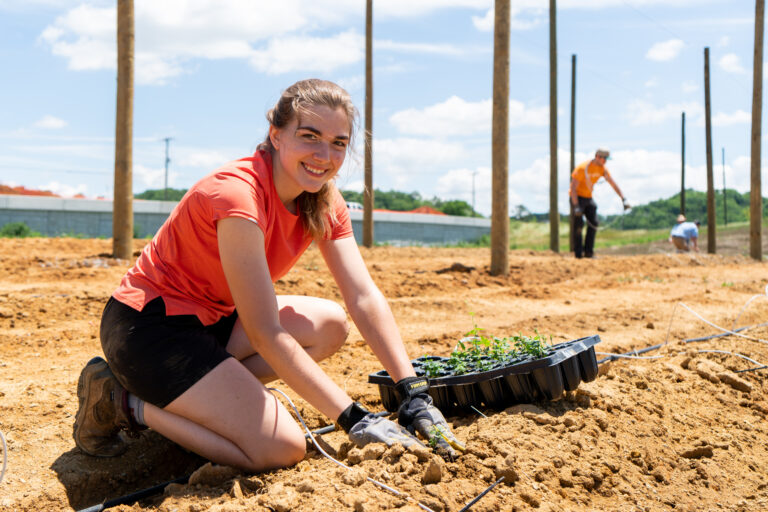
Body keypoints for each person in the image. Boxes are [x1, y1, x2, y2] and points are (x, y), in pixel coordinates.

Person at [73, 79, 464, 472]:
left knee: (330, 325)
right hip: (151, 333)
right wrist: (353, 418)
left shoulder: (325, 200)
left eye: (338, 143)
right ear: (276, 135)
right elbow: (264, 331)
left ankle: (203, 400)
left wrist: (413, 392)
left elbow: (362, 295)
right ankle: (125, 403)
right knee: (281, 449)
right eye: (309, 136)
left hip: (216, 321)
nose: (323, 155)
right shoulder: (237, 196)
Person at [570, 148, 630, 259]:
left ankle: (589, 252)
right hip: (577, 198)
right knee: (578, 226)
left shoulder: (602, 169)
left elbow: (612, 183)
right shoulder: (583, 168)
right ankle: (578, 254)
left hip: (588, 197)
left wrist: (623, 198)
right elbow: (573, 187)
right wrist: (576, 206)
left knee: (594, 222)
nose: (605, 161)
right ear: (598, 156)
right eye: (604, 158)